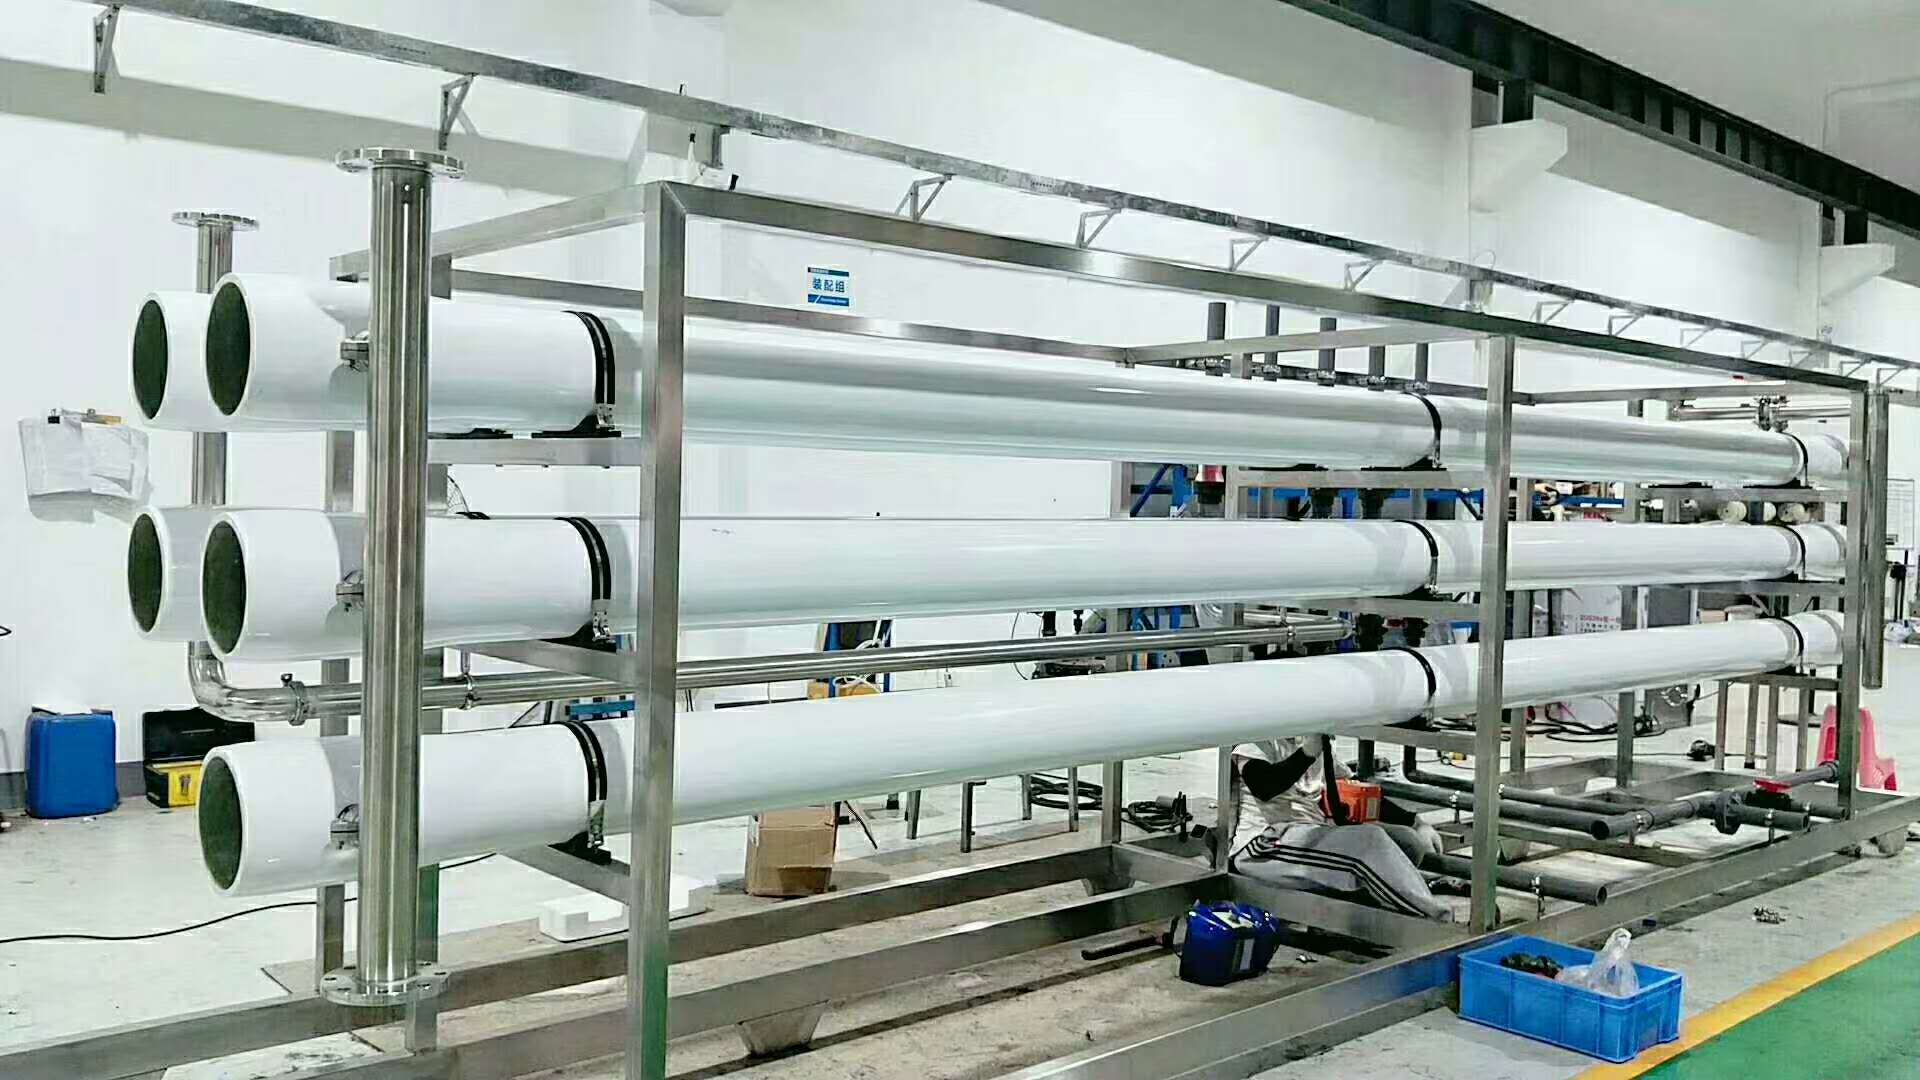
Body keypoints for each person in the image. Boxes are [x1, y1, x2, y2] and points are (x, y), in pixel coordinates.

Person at [1228, 737, 1452, 921]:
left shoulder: (1311, 739)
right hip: (1265, 845)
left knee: (1406, 842)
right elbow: (1264, 786)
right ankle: (1435, 920)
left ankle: (1366, 918)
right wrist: (1307, 752)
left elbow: (1355, 790)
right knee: (1367, 843)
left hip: (1311, 832)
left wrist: (1415, 822)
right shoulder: (1257, 740)